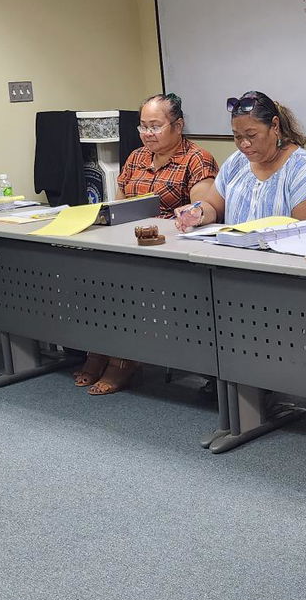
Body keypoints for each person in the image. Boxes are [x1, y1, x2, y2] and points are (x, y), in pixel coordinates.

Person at [76, 93, 218, 395]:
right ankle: (99, 349)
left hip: (171, 252)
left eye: (155, 126)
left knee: (123, 283)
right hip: (131, 245)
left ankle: (123, 359)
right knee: (93, 274)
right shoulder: (136, 157)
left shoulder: (197, 159)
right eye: (143, 127)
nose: (147, 134)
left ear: (177, 125)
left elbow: (201, 212)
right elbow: (119, 205)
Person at [176, 91, 306, 232]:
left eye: (252, 135)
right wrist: (197, 212)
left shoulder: (305, 170)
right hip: (235, 257)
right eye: (237, 136)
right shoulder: (236, 163)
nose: (244, 144)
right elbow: (213, 207)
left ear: (275, 126)